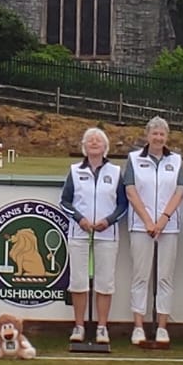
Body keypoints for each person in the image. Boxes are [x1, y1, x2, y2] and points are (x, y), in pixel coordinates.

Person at [59, 127, 129, 345]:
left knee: (105, 282)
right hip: (79, 233)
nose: (94, 143)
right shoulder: (75, 171)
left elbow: (123, 204)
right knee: (79, 281)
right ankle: (79, 326)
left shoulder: (116, 172)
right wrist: (80, 219)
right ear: (84, 146)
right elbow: (65, 201)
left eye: (99, 140)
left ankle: (101, 327)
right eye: (90, 140)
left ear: (105, 147)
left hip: (107, 235)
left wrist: (107, 221)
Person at [123, 117, 183, 345]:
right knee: (140, 277)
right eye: (154, 134)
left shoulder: (176, 160)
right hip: (141, 226)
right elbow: (130, 191)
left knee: (165, 278)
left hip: (168, 228)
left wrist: (163, 219)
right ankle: (138, 326)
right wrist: (149, 221)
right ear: (147, 135)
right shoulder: (133, 159)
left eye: (162, 134)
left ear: (166, 137)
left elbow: (179, 192)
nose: (158, 138)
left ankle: (162, 327)